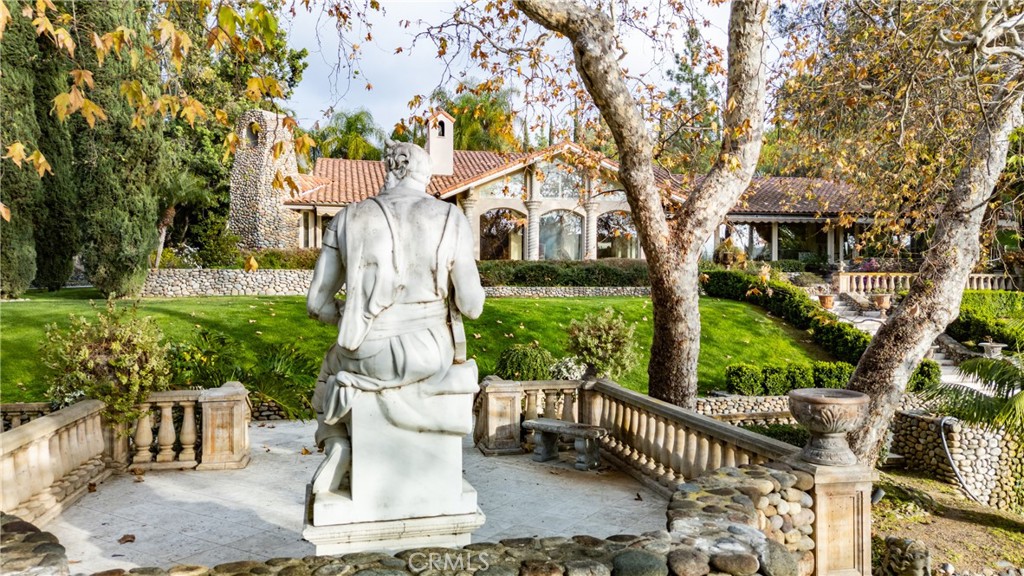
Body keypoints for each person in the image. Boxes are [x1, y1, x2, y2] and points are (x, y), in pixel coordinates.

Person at [306, 140, 485, 495]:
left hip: (368, 353)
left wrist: (349, 315)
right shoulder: (451, 218)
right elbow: (472, 306)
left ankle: (335, 440)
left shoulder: (348, 217)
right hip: (432, 354)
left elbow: (316, 304)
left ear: (393, 168)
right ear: (421, 174)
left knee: (330, 371)